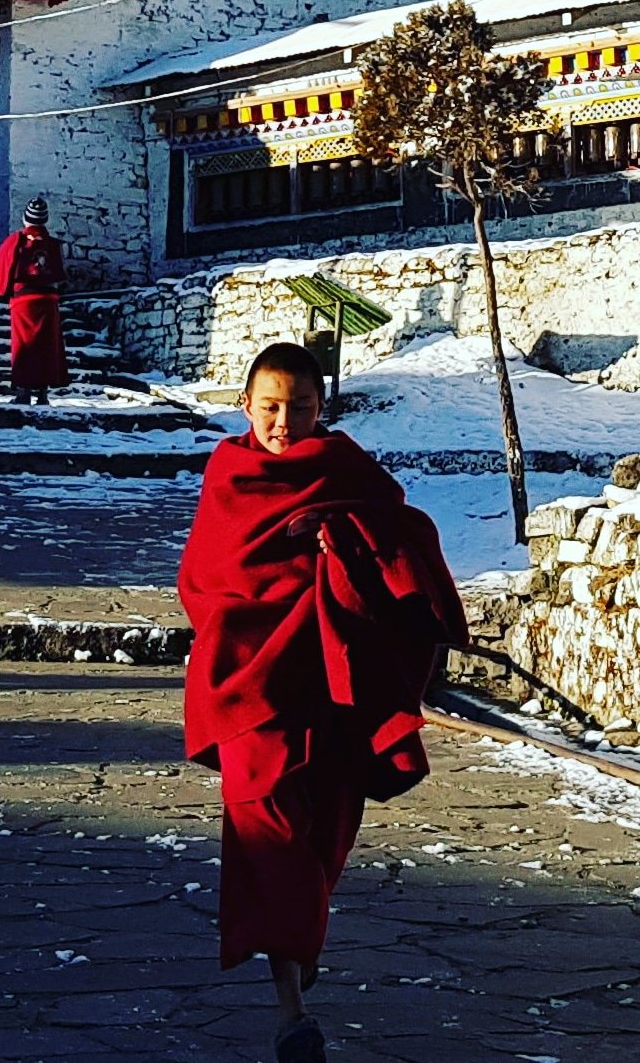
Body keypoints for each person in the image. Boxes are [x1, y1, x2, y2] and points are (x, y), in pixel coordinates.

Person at [178, 342, 467, 1063]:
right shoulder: (229, 473)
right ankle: (290, 1011)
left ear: (321, 409)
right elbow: (205, 579)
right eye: (270, 407)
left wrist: (343, 537)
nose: (283, 423)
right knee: (265, 828)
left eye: (300, 408)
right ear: (245, 405)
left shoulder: (344, 471)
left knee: (324, 834)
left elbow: (408, 541)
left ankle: (300, 938)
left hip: (334, 684)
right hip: (252, 684)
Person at [0, 198, 68, 402]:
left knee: (24, 347)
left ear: (25, 219)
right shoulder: (52, 244)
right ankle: (42, 394)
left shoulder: (17, 240)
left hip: (24, 302)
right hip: (48, 301)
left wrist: (3, 289)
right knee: (46, 347)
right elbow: (60, 275)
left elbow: (1, 263)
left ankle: (23, 392)